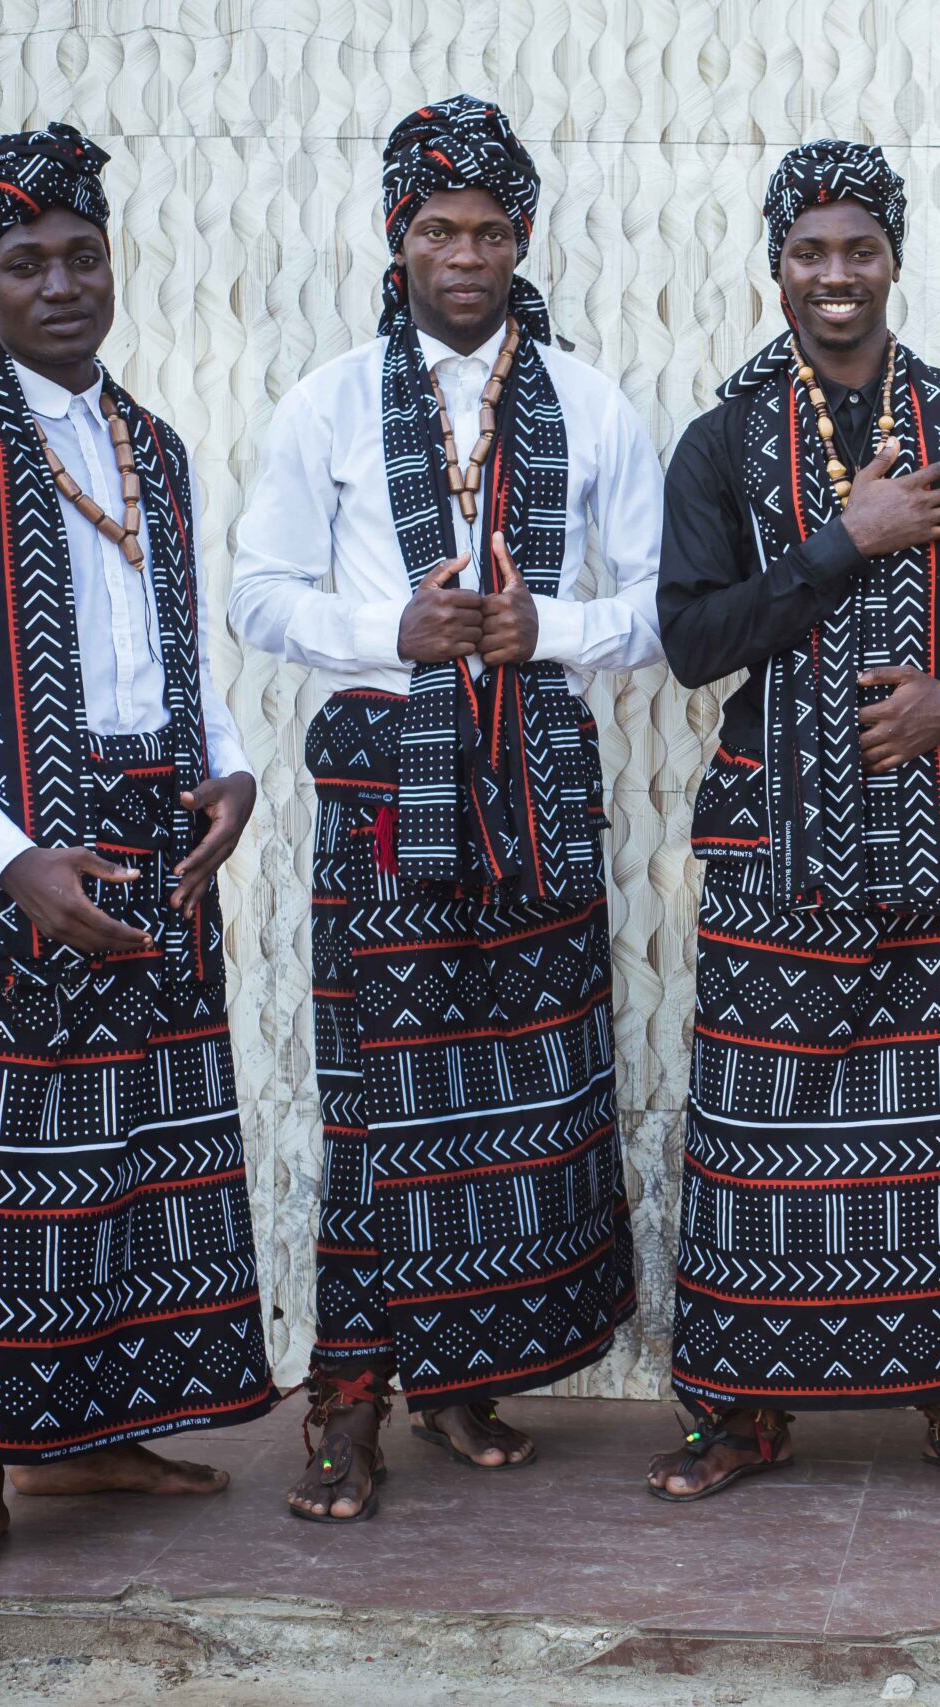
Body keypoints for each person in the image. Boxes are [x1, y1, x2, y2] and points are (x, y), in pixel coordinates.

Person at [229, 96, 665, 1521]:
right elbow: (256, 595)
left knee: (524, 1095)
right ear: (394, 235)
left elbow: (663, 604)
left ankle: (465, 1377)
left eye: (487, 231)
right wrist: (388, 630)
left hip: (537, 782)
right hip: (383, 782)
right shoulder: (328, 401)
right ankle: (349, 1401)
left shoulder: (591, 404)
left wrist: (551, 629)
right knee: (378, 1102)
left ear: (522, 239)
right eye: (436, 229)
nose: (463, 256)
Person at [648, 140, 940, 1505]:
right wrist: (848, 539)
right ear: (776, 266)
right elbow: (691, 641)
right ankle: (741, 1414)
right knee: (755, 1139)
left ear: (895, 259)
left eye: (860, 248)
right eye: (810, 251)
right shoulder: (722, 442)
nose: (835, 273)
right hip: (772, 850)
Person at [0, 124, 274, 1579]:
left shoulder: (153, 446)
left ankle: (102, 1435)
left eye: (82, 256)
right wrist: (7, 857)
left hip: (158, 840)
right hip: (20, 855)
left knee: (146, 1153)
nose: (60, 285)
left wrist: (233, 768)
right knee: (8, 1166)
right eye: (25, 263)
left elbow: (183, 647)